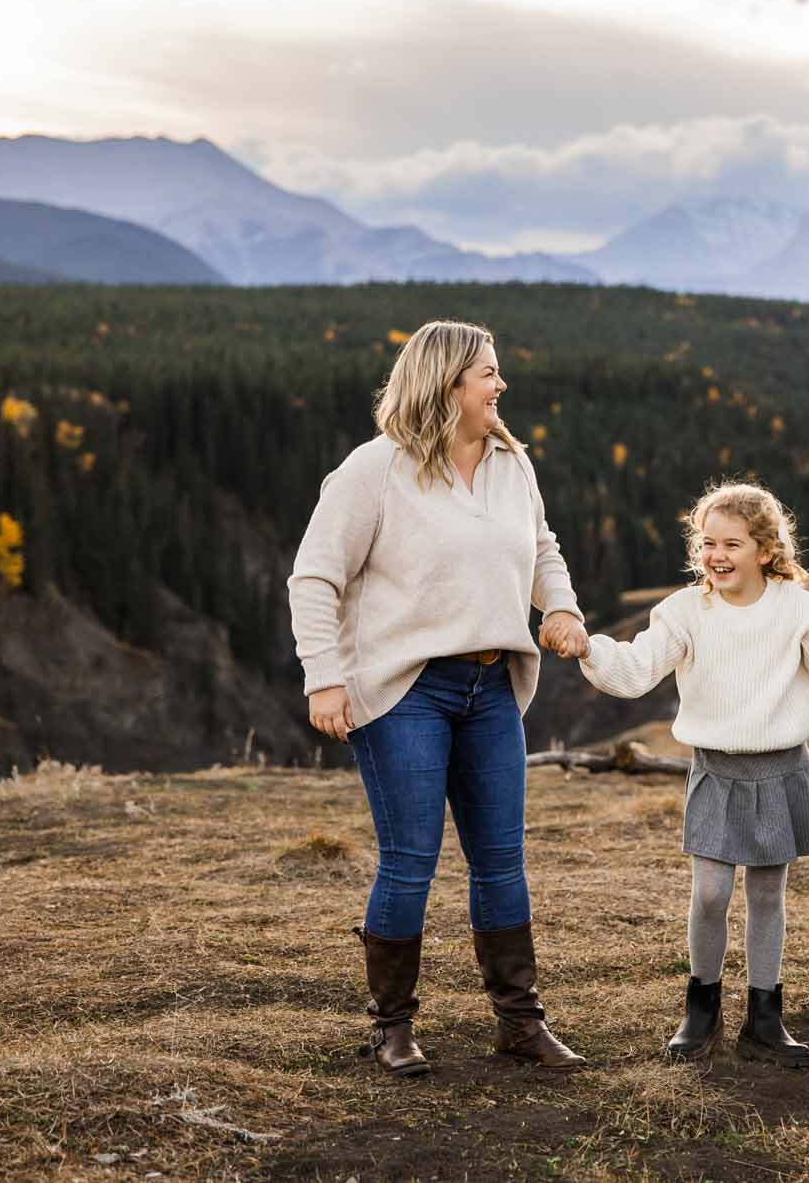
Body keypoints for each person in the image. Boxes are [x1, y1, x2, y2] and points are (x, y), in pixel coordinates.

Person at [288, 319, 592, 1079]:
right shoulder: (374, 471)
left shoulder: (509, 462)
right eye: (487, 374)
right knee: (410, 861)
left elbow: (542, 544)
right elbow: (314, 577)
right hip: (405, 690)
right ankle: (391, 1028)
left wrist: (561, 607)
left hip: (493, 685)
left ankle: (521, 1024)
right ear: (446, 384)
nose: (500, 386)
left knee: (501, 861)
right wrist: (324, 676)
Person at [576, 481, 809, 1066]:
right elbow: (634, 671)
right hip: (716, 771)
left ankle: (765, 1018)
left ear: (766, 550)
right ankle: (702, 1008)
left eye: (733, 544)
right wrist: (586, 648)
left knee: (768, 895)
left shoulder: (796, 606)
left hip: (781, 769)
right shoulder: (684, 612)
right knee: (713, 892)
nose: (716, 556)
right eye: (708, 543)